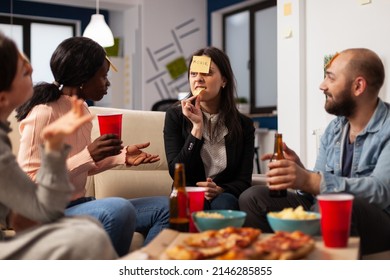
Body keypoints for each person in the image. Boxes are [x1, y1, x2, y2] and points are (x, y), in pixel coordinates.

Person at [15, 37, 169, 257]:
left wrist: (121, 157)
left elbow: (82, 166)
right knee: (119, 209)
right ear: (83, 78)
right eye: (103, 76)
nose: (108, 83)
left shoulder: (83, 110)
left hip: (79, 204)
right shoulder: (44, 112)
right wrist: (87, 155)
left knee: (167, 207)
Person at [239, 48, 390, 257]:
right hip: (324, 209)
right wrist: (299, 172)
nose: (322, 85)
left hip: (378, 221)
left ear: (358, 86)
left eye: (330, 77)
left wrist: (311, 180)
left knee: (333, 209)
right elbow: (316, 185)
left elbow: (381, 191)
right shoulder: (335, 128)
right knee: (252, 198)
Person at [0, 32, 117, 259]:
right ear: (3, 98)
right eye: (23, 71)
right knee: (99, 227)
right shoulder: (42, 113)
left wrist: (55, 151)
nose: (32, 70)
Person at [164, 46, 254, 210]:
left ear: (224, 81)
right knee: (194, 204)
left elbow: (244, 180)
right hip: (188, 192)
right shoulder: (174, 116)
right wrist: (197, 128)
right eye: (193, 74)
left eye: (206, 73)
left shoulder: (244, 125)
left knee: (225, 202)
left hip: (224, 195)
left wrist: (219, 189)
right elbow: (176, 172)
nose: (198, 79)